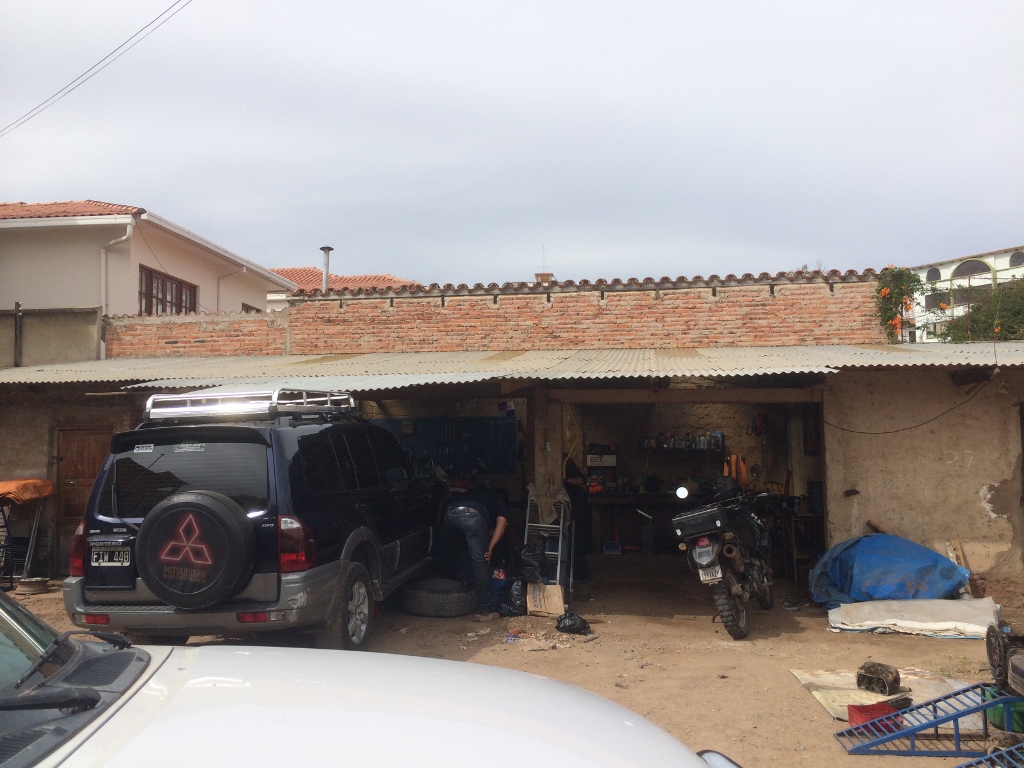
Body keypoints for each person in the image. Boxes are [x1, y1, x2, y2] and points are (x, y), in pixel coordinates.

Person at [443, 486, 508, 621]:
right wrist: (490, 548)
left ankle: (464, 584)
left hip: (450, 515)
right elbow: (501, 524)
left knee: (461, 551)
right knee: (481, 561)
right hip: (472, 517)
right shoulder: (499, 499)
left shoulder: (473, 493)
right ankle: (487, 610)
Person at [563, 455, 592, 582]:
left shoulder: (568, 463)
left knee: (577, 542)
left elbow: (581, 480)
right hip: (566, 511)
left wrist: (566, 480)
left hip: (575, 510)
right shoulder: (564, 463)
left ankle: (581, 575)